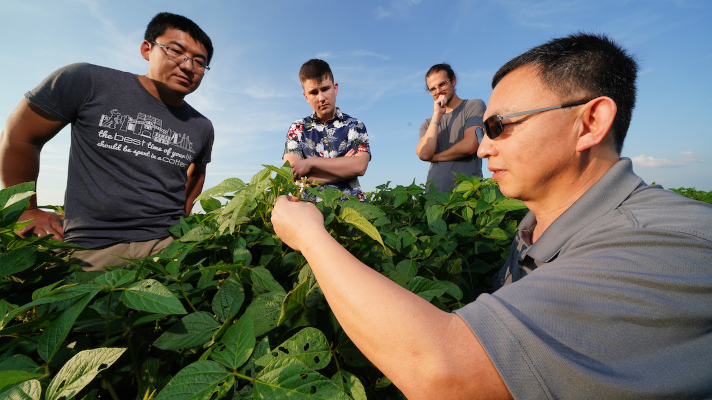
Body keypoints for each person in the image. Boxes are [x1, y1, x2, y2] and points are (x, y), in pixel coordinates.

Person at [271, 32, 712, 399]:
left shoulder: (665, 244)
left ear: (590, 122)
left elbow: (443, 373)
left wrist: (311, 236)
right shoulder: (534, 231)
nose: (483, 147)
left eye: (500, 127)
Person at [0, 12, 215, 271]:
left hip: (170, 247)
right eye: (175, 51)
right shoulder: (87, 80)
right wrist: (25, 210)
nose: (188, 66)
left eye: (199, 62)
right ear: (147, 49)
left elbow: (196, 175)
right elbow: (20, 135)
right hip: (93, 247)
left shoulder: (202, 126)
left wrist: (182, 220)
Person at [282, 59, 371, 201]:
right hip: (310, 211)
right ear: (306, 96)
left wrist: (311, 163)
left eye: (325, 89)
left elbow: (359, 167)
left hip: (352, 208)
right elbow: (292, 173)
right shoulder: (297, 129)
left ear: (335, 88)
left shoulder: (355, 126)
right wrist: (344, 167)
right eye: (313, 92)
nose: (321, 98)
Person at [416, 63, 485, 192]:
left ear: (453, 81)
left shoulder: (473, 106)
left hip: (467, 194)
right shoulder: (428, 123)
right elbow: (424, 154)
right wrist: (437, 115)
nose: (438, 91)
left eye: (442, 84)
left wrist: (435, 157)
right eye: (432, 89)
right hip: (434, 196)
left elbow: (470, 146)